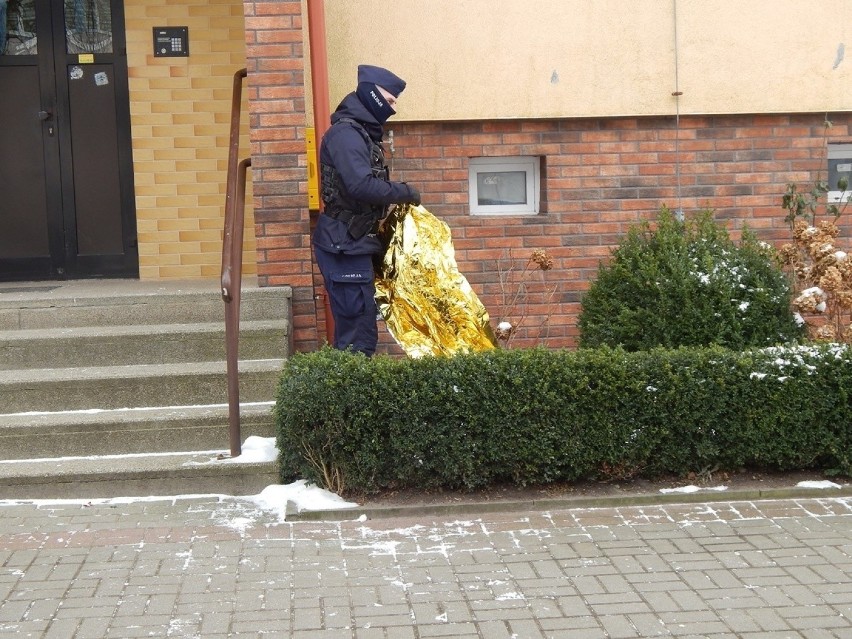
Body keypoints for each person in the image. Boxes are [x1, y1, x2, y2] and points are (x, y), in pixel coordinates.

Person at [312, 64, 421, 356]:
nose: (393, 107)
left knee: (361, 333)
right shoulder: (346, 134)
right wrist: (404, 191)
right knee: (356, 340)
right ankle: (347, 400)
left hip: (353, 243)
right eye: (389, 100)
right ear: (372, 95)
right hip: (344, 244)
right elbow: (361, 185)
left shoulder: (361, 133)